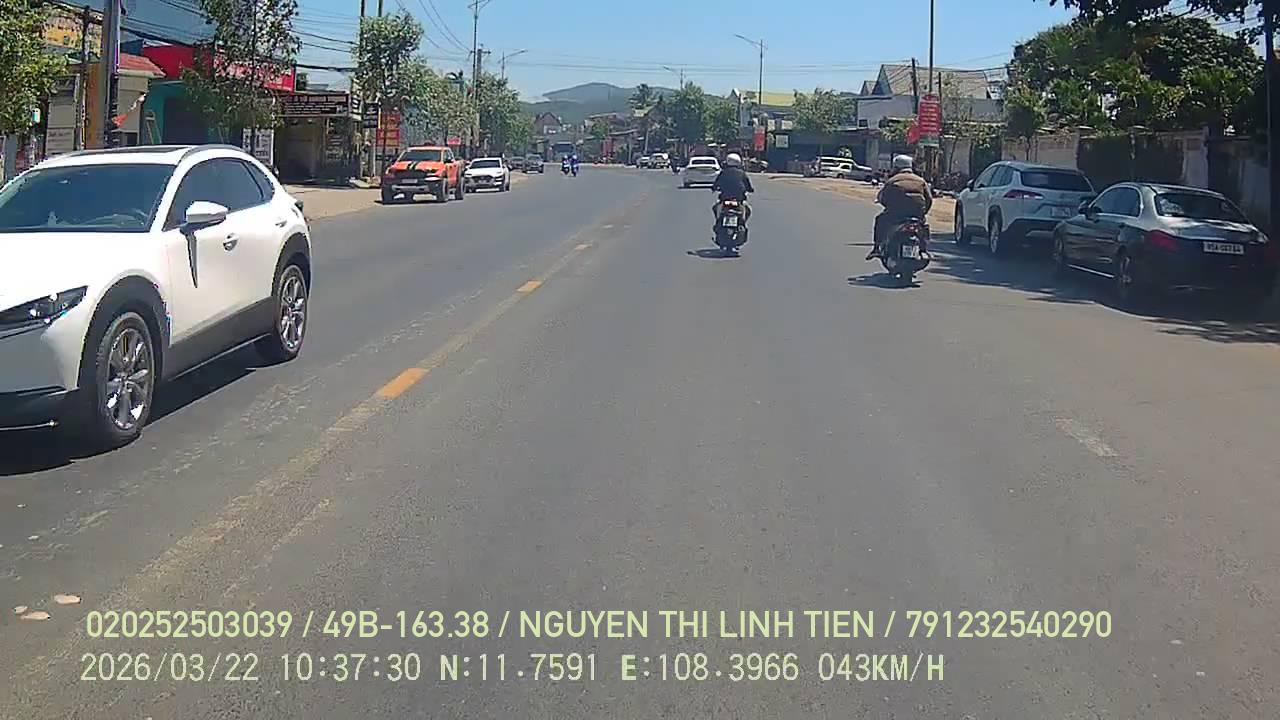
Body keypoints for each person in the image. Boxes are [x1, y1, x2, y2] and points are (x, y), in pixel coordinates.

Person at [869, 154, 932, 260]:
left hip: (896, 215)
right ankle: (924, 249)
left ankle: (876, 248)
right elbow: (929, 199)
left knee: (880, 219)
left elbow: (884, 198)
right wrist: (923, 212)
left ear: (896, 167)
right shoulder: (921, 181)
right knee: (924, 226)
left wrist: (888, 206)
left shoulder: (892, 181)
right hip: (916, 215)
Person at [711, 152, 754, 234]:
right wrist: (750, 189)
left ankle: (718, 222)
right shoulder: (742, 173)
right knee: (748, 209)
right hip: (738, 199)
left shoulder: (723, 172)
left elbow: (716, 183)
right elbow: (747, 185)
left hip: (725, 198)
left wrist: (714, 188)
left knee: (715, 208)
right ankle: (742, 224)